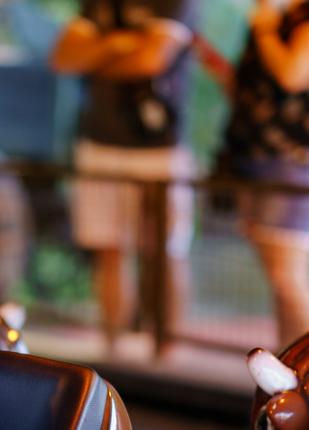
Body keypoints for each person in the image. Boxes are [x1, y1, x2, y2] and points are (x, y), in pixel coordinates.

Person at [50, 0, 198, 349]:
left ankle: (167, 348)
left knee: (165, 251)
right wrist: (120, 45)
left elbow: (150, 59)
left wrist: (96, 55)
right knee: (109, 251)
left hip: (158, 146)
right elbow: (63, 57)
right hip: (99, 143)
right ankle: (112, 347)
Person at [221, 0, 309, 349]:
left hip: (298, 159)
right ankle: (293, 372)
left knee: (290, 278)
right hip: (257, 158)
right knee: (281, 282)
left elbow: (293, 74)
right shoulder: (275, 20)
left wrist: (263, 30)